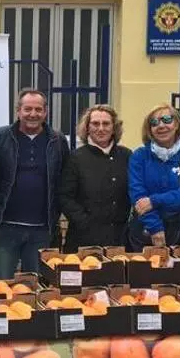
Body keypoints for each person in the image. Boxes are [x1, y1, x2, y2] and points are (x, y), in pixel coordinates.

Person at [0, 89, 68, 278]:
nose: (33, 114)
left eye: (38, 109)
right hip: (5, 227)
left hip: (42, 229)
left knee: (36, 284)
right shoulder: (0, 137)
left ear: (45, 112)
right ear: (18, 111)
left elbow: (64, 179)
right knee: (4, 284)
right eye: (28, 109)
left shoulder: (57, 140)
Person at [127, 104, 180, 250]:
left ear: (177, 124)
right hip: (146, 233)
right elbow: (138, 196)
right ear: (149, 129)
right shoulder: (139, 156)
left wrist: (154, 201)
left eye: (167, 120)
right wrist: (155, 227)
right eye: (154, 122)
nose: (161, 126)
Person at [60, 104, 131, 252]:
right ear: (87, 128)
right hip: (83, 239)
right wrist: (84, 222)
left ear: (114, 128)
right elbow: (64, 197)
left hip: (119, 240)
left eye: (106, 124)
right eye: (95, 124)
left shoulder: (127, 156)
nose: (101, 128)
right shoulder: (75, 158)